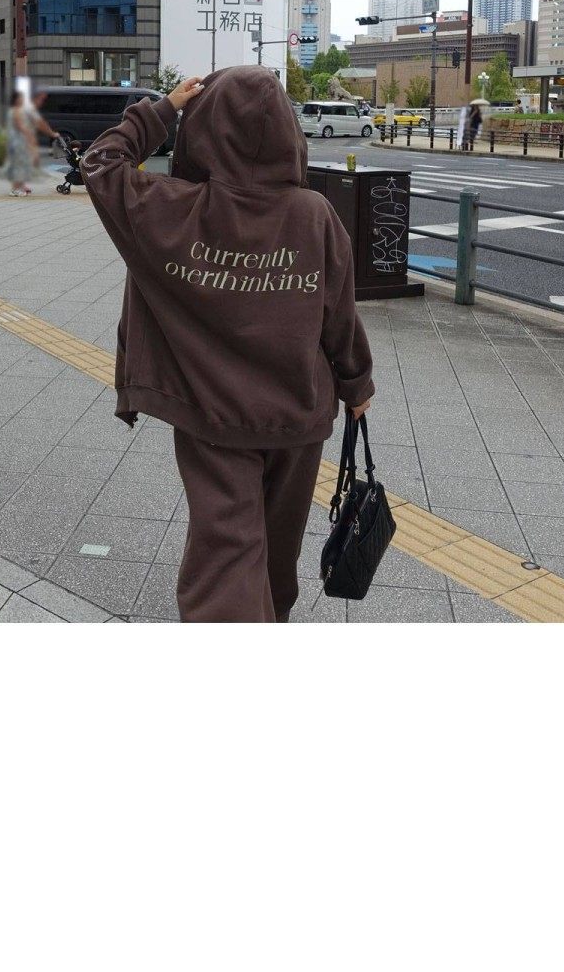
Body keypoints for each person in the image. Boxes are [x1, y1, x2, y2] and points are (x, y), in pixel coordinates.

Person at [82, 69, 375, 622]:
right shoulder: (314, 214)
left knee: (226, 556)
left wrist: (163, 109)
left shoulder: (172, 208)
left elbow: (100, 164)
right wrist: (357, 385)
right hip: (300, 411)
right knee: (277, 554)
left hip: (213, 413)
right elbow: (339, 313)